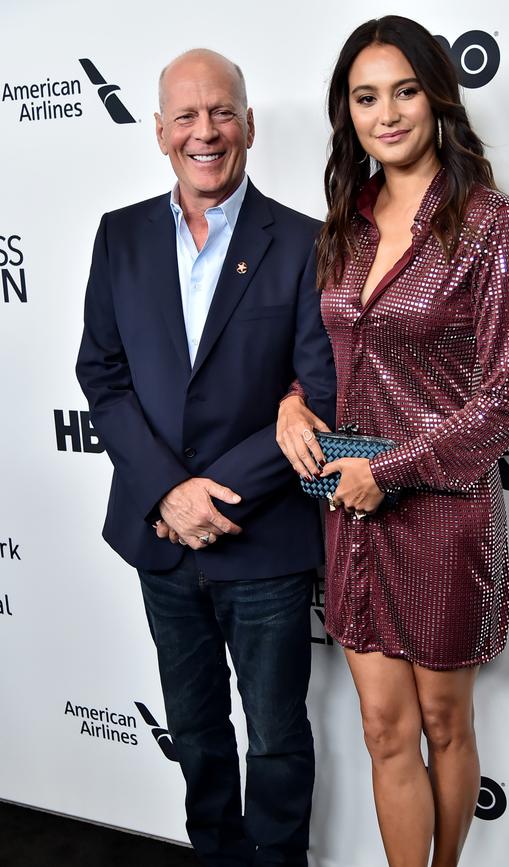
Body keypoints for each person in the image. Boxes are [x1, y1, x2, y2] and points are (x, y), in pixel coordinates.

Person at [277, 16, 509, 867]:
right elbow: (322, 363)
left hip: (440, 512)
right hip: (349, 514)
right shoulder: (342, 228)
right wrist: (290, 401)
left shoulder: (489, 224)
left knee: (440, 721)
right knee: (384, 726)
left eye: (404, 90)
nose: (386, 113)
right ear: (346, 112)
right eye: (365, 96)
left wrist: (387, 471)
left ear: (437, 97)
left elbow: (506, 399)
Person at [76, 48, 336, 867]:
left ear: (250, 125)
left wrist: (208, 494)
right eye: (185, 115)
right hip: (161, 535)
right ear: (158, 132)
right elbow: (103, 375)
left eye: (221, 111)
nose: (205, 130)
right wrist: (167, 494)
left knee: (278, 738)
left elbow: (319, 393)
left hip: (263, 538)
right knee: (192, 727)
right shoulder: (118, 238)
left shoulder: (304, 243)